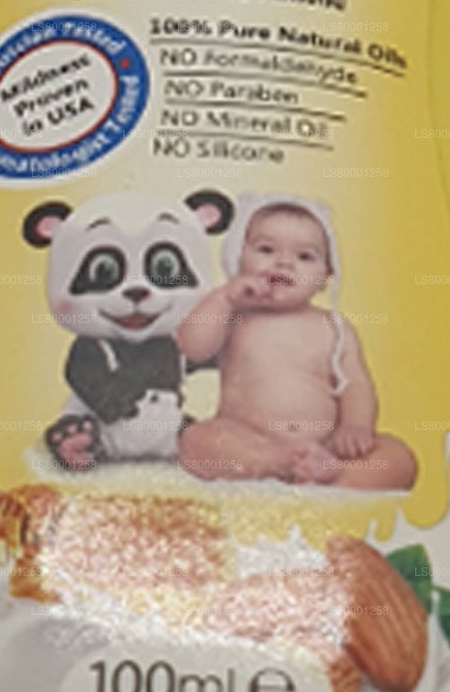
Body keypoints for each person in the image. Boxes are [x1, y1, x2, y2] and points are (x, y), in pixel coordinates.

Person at [176, 196, 417, 491]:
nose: (284, 263)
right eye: (266, 250)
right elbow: (192, 347)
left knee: (397, 458)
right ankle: (283, 465)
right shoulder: (234, 315)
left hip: (326, 445)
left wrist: (355, 427)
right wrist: (224, 297)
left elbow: (355, 383)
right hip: (248, 439)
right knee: (197, 441)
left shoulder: (333, 327)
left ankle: (332, 474)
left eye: (305, 257)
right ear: (237, 257)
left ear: (325, 276)